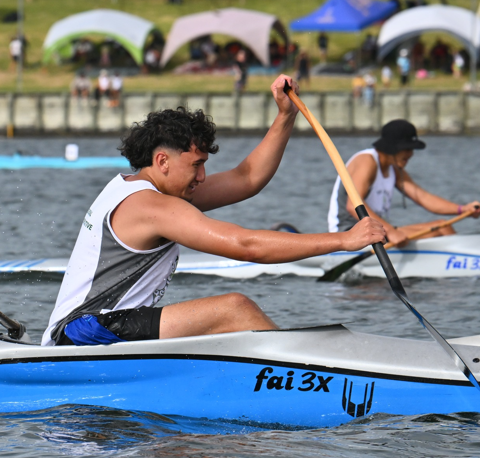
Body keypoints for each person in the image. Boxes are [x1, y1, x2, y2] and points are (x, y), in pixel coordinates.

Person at [41, 75, 387, 347]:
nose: (203, 176)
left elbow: (246, 178)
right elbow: (246, 246)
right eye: (197, 165)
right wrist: (344, 240)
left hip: (97, 328)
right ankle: (313, 379)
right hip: (83, 333)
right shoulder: (151, 205)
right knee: (234, 309)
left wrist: (285, 115)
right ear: (162, 161)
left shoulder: (146, 188)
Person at [328, 119, 480, 245]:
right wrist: (389, 230)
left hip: (375, 230)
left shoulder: (393, 168)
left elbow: (422, 197)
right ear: (392, 148)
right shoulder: (367, 161)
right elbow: (353, 206)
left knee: (444, 227)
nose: (411, 154)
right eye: (407, 149)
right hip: (349, 232)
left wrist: (462, 209)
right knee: (436, 234)